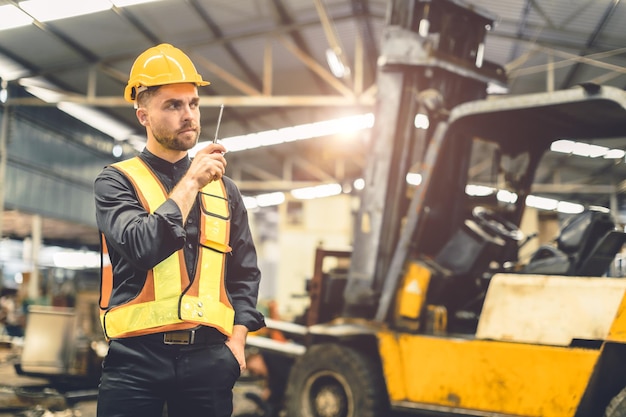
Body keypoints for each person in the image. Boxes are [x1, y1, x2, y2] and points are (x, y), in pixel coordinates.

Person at [94, 43, 265, 417]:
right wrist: (191, 183)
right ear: (143, 115)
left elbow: (245, 276)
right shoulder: (116, 182)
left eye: (193, 103)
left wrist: (236, 344)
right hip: (135, 362)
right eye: (173, 105)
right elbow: (141, 246)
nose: (188, 115)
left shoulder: (226, 191)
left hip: (210, 362)